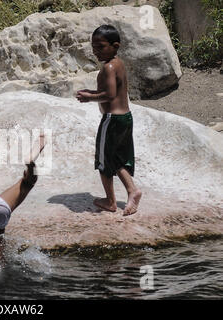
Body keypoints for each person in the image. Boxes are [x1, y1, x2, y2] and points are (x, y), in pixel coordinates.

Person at [76, 25, 142, 216]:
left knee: (104, 161)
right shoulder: (118, 64)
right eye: (94, 47)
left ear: (115, 45)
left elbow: (110, 94)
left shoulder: (108, 67)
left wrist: (89, 97)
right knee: (117, 158)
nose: (96, 51)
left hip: (112, 120)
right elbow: (112, 91)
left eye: (101, 47)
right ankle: (129, 192)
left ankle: (113, 199)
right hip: (125, 118)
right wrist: (92, 92)